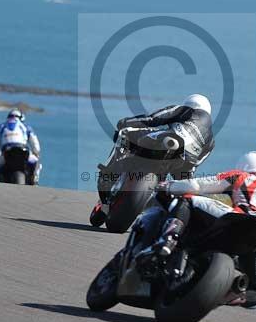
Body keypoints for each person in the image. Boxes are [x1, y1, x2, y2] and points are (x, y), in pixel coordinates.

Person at [147, 151, 256, 309]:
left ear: (245, 165)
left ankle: (169, 240)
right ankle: (230, 292)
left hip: (240, 219)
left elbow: (198, 186)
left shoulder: (242, 175)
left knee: (186, 200)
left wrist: (169, 186)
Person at [90, 93, 216, 226]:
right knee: (178, 190)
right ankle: (163, 209)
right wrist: (183, 181)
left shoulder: (186, 110)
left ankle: (108, 173)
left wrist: (125, 122)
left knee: (125, 132)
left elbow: (154, 118)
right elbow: (195, 164)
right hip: (184, 162)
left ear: (189, 104)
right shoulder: (211, 141)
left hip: (168, 140)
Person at [0, 108, 42, 184]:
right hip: (23, 151)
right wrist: (36, 153)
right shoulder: (25, 127)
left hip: (6, 152)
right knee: (36, 162)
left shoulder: (1, 127)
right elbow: (35, 144)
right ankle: (35, 179)